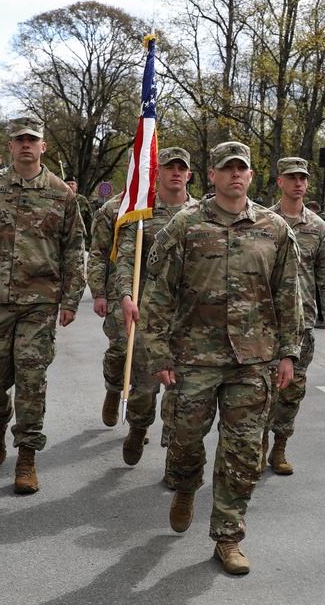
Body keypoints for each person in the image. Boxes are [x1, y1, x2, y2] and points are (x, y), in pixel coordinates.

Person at [139, 141, 302, 575]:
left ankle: (228, 537)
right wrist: (157, 351)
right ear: (211, 175)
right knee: (185, 437)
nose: (235, 175)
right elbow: (157, 293)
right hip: (193, 356)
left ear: (251, 176)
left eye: (242, 169)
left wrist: (289, 353)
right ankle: (186, 485)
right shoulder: (185, 224)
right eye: (226, 168)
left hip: (253, 360)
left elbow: (289, 295)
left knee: (245, 451)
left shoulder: (273, 228)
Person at [0, 116, 86, 495]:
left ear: (43, 147)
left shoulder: (61, 195)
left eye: (33, 140)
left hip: (40, 303)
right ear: (9, 146)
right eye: (19, 139)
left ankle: (27, 456)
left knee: (31, 379)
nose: (26, 145)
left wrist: (71, 298)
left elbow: (75, 251)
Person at [117, 147, 198, 465]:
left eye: (182, 167)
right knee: (144, 385)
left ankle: (174, 449)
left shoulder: (202, 214)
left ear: (189, 175)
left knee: (185, 389)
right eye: (169, 167)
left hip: (190, 317)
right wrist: (126, 295)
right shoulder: (142, 212)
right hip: (149, 313)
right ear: (158, 172)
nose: (176, 172)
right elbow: (125, 258)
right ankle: (138, 427)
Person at [264, 157, 325, 474]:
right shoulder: (262, 222)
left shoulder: (317, 227)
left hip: (302, 322)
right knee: (261, 391)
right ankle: (257, 447)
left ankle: (279, 447)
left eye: (303, 178)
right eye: (291, 177)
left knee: (292, 390)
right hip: (264, 321)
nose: (298, 183)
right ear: (280, 181)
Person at [87, 191, 125, 425]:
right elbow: (98, 253)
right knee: (120, 351)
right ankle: (113, 389)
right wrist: (98, 293)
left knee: (147, 359)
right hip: (119, 292)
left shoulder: (174, 206)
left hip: (160, 296)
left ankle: (138, 420)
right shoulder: (112, 210)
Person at [65, 175, 93, 250]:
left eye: (72, 184)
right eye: (68, 184)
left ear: (76, 186)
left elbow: (89, 220)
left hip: (79, 236)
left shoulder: (82, 200)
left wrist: (89, 241)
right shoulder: (60, 199)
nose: (70, 186)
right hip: (64, 236)